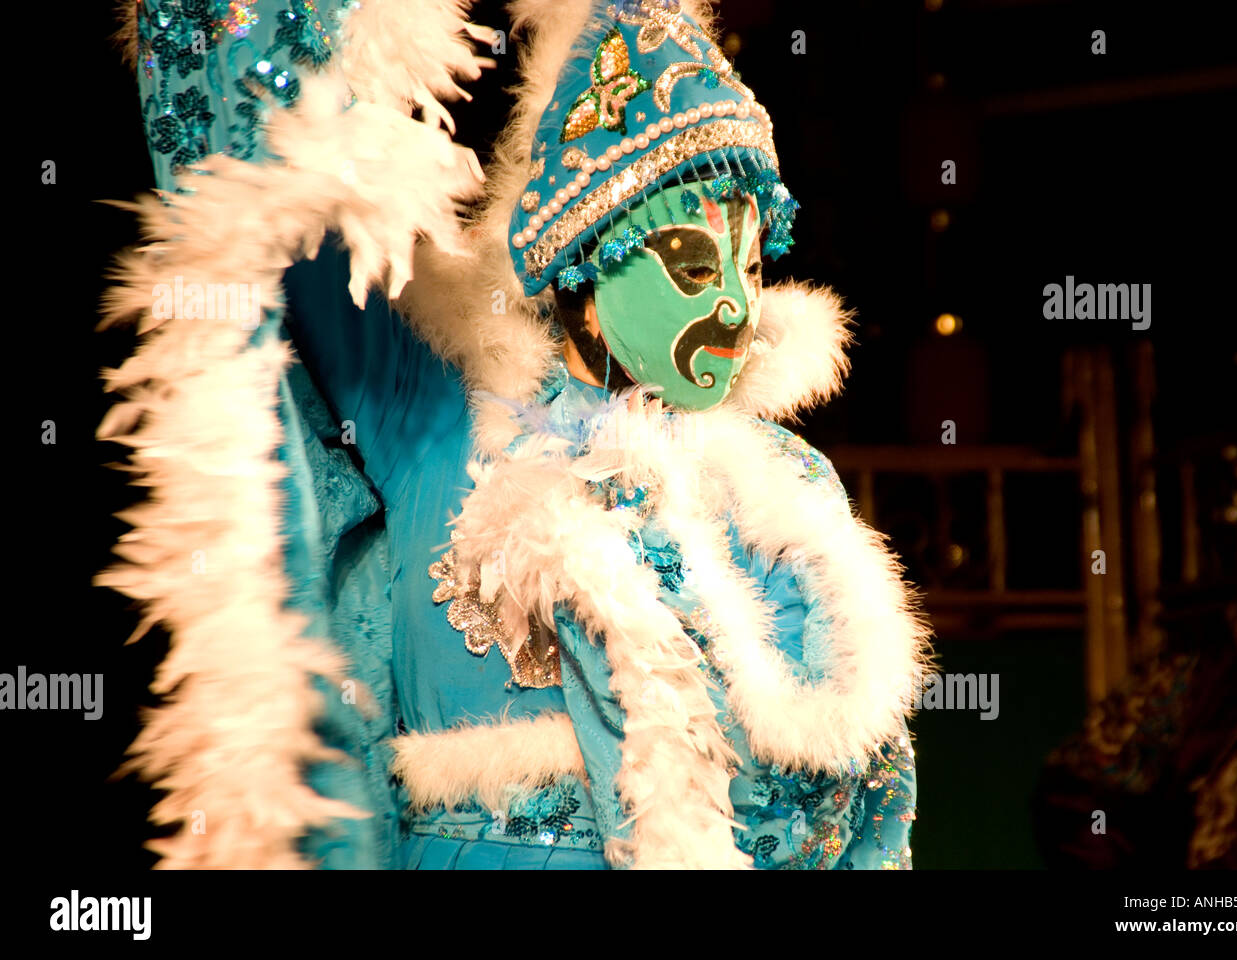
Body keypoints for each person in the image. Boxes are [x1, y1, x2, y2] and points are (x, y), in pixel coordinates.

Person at [103, 0, 930, 870]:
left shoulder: (779, 487)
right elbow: (253, 151)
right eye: (693, 263)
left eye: (752, 264)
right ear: (581, 258)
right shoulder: (443, 404)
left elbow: (844, 803)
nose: (734, 302)